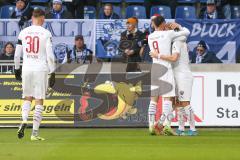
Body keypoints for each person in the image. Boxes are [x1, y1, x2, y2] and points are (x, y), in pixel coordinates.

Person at [14, 9, 56, 141]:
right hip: (40, 69)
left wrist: (16, 69)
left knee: (27, 97)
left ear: (32, 17)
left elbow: (16, 55)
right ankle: (34, 133)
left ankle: (24, 120)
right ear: (42, 18)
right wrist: (52, 71)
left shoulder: (23, 32)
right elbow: (50, 55)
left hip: (26, 68)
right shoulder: (46, 33)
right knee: (39, 99)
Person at [147, 15, 190, 135]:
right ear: (162, 24)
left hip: (155, 67)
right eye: (164, 23)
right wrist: (178, 26)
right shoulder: (168, 34)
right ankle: (165, 125)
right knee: (168, 98)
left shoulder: (150, 37)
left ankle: (151, 125)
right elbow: (186, 33)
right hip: (165, 67)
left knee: (153, 99)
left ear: (154, 24)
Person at [155, 23, 197, 136]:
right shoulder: (178, 41)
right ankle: (181, 128)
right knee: (178, 104)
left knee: (185, 102)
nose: (166, 33)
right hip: (178, 76)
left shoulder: (177, 42)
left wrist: (157, 55)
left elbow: (174, 58)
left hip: (183, 76)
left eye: (168, 30)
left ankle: (193, 129)